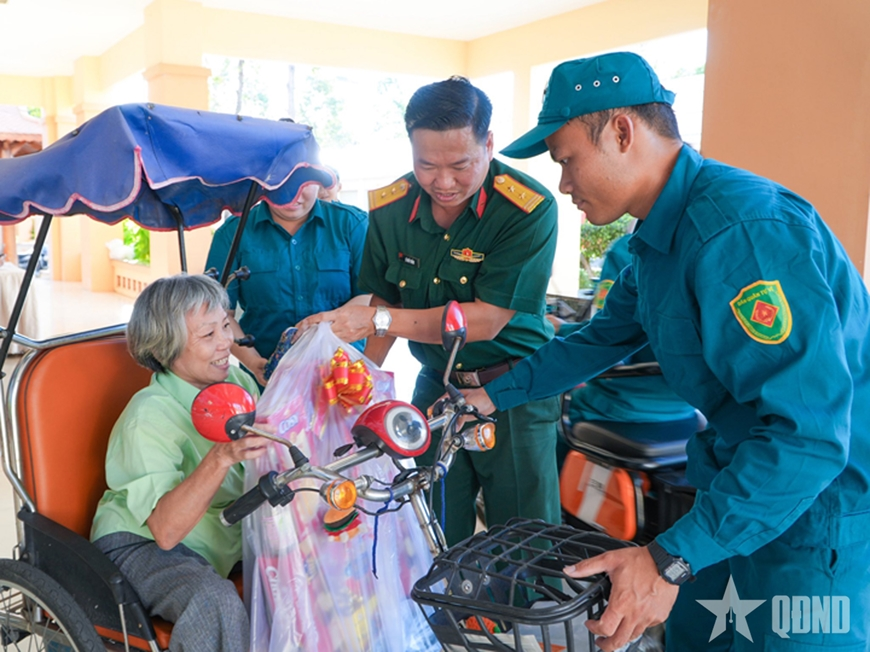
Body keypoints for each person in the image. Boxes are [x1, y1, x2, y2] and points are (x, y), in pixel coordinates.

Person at [464, 52, 870, 651]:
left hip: (806, 512)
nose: (564, 184)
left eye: (568, 160)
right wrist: (489, 397)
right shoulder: (654, 240)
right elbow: (601, 338)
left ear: (623, 132)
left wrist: (670, 558)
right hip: (727, 492)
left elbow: (806, 438)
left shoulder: (740, 232)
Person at [297, 76, 562, 546]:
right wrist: (365, 379)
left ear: (489, 144)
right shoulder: (390, 208)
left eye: (460, 165)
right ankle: (447, 618)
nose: (443, 182)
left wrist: (377, 320)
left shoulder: (526, 210)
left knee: (524, 541)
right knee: (430, 524)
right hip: (436, 386)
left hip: (514, 389)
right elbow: (384, 300)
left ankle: (522, 620)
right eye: (426, 165)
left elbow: (486, 319)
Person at [90, 274, 268, 652]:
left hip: (218, 535)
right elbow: (166, 532)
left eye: (225, 326)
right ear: (168, 348)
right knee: (213, 601)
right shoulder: (148, 416)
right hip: (141, 542)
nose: (226, 343)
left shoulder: (239, 382)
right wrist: (220, 457)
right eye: (208, 336)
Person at [205, 179, 369, 386]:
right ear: (264, 183)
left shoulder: (352, 224)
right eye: (281, 186)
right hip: (267, 381)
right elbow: (219, 313)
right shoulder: (232, 233)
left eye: (303, 185)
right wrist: (254, 362)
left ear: (318, 182)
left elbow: (370, 297)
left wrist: (321, 329)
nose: (293, 196)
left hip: (343, 377)